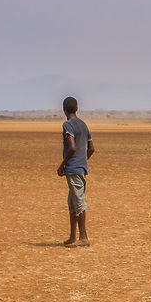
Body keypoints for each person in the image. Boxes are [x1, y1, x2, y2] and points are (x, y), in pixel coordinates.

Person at [57, 95, 94, 246]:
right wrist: (83, 159)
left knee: (78, 202)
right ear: (77, 108)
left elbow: (71, 147)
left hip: (73, 169)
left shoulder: (68, 125)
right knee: (72, 202)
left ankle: (83, 237)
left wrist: (63, 164)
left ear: (64, 109)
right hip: (80, 167)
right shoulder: (83, 124)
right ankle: (73, 236)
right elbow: (91, 148)